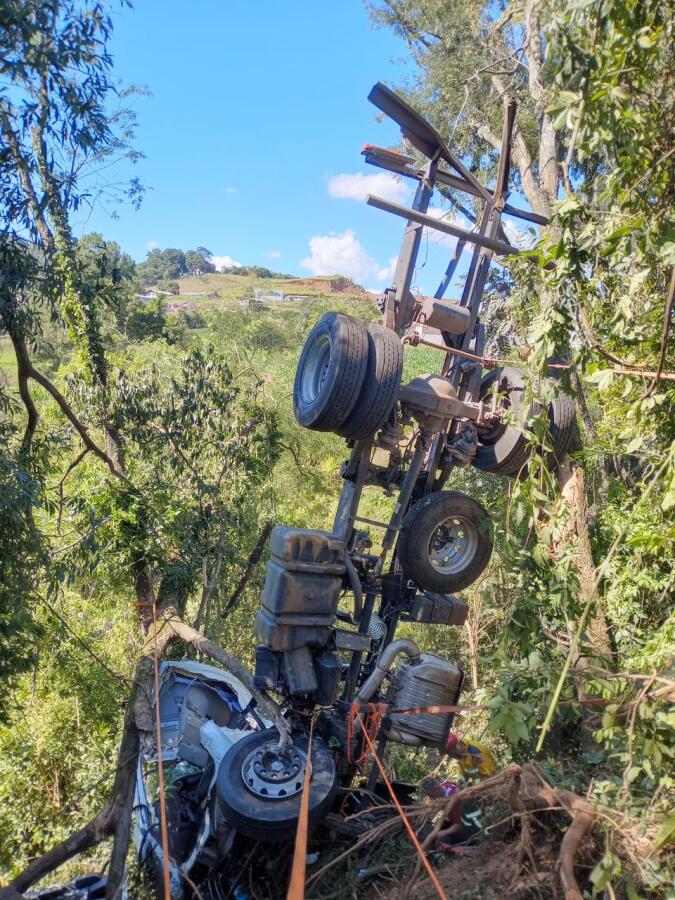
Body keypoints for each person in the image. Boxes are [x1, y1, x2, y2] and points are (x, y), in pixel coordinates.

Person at [420, 778, 484, 848]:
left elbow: (458, 825)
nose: (431, 798)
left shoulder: (452, 801)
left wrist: (444, 832)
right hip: (465, 815)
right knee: (441, 826)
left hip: (469, 823)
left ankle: (470, 846)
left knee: (443, 839)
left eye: (431, 795)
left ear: (436, 789)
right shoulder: (445, 785)